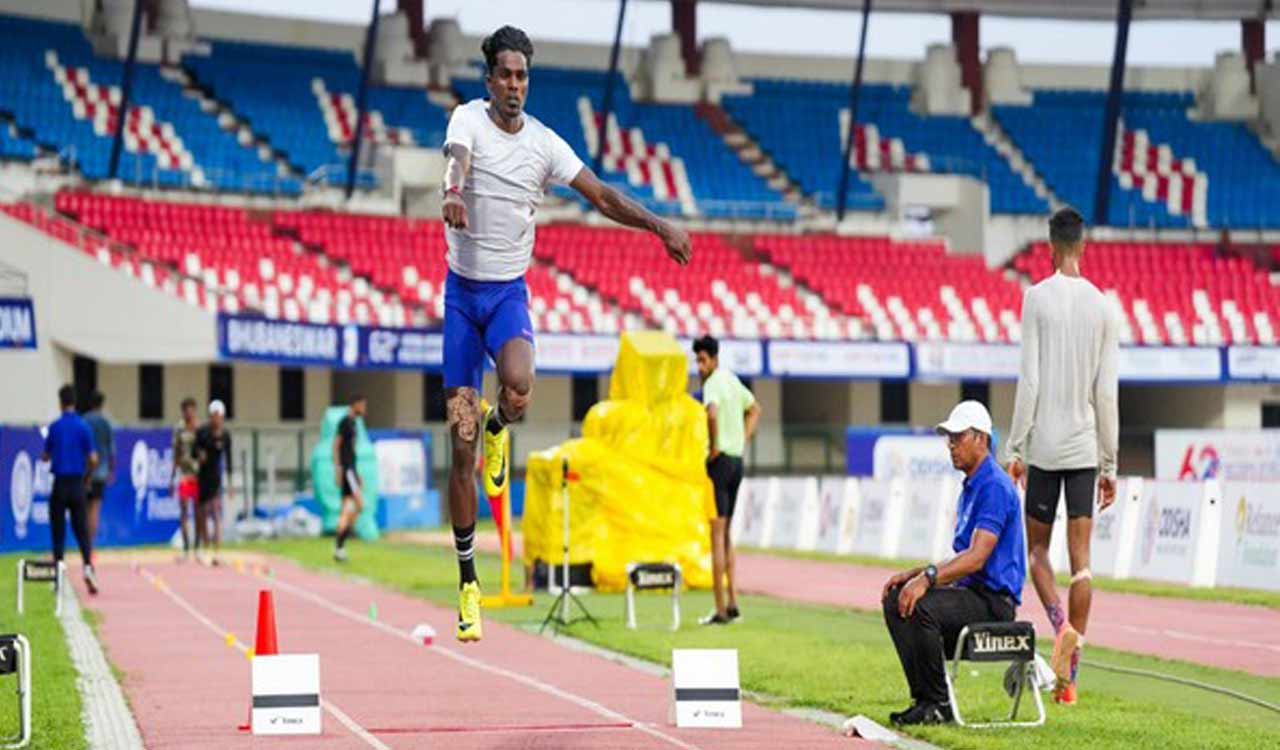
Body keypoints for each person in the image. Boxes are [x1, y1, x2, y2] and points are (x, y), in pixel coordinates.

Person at [440, 25, 691, 642]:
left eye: (522, 76)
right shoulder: (467, 121)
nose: (514, 85)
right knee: (460, 448)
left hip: (505, 295)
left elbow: (601, 195)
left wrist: (659, 226)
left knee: (520, 387)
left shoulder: (545, 145)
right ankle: (468, 581)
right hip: (460, 301)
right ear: (489, 78)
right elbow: (458, 160)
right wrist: (451, 193)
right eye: (505, 74)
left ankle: (503, 428)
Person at [1005, 206, 1120, 706]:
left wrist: (1014, 447)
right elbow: (1107, 393)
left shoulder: (1036, 298)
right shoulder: (1102, 306)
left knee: (1036, 554)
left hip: (1046, 448)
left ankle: (1058, 625)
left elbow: (1028, 379)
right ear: (1084, 247)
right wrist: (1110, 463)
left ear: (1050, 247)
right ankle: (1070, 681)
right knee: (1083, 565)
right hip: (1084, 447)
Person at [881, 401, 1025, 726]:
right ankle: (924, 700)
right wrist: (914, 574)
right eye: (950, 438)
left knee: (921, 605)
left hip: (993, 604)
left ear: (981, 439)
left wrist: (927, 579)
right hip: (973, 596)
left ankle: (938, 703)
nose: (951, 445)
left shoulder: (994, 486)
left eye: (958, 437)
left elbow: (976, 558)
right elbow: (963, 558)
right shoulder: (973, 486)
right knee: (896, 599)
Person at [693, 335, 760, 626]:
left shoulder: (713, 384)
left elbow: (711, 413)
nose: (699, 365)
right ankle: (733, 603)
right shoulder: (733, 380)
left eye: (702, 360)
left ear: (713, 359)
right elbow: (755, 409)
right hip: (737, 461)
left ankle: (719, 610)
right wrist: (743, 438)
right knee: (728, 534)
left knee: (716, 535)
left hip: (720, 462)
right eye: (697, 360)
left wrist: (715, 445)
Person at [42, 384, 100, 594]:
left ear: (60, 402)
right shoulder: (83, 426)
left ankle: (58, 578)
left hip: (60, 484)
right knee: (82, 531)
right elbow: (93, 458)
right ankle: (88, 569)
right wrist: (87, 476)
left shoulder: (55, 427)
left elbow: (45, 455)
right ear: (75, 402)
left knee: (58, 533)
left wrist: (49, 456)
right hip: (77, 484)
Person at [194, 400, 233, 566]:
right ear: (210, 416)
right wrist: (199, 455)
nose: (216, 419)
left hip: (216, 478)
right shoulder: (202, 432)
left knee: (217, 515)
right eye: (213, 416)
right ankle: (205, 546)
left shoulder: (225, 435)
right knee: (202, 514)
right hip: (202, 477)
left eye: (219, 416)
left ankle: (217, 552)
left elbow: (229, 459)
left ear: (222, 417)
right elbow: (194, 450)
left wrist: (230, 483)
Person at [332, 395, 367, 562]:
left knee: (346, 508)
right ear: (355, 405)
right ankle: (342, 539)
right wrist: (339, 469)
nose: (364, 409)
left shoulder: (354, 423)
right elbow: (336, 446)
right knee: (359, 505)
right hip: (346, 470)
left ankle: (339, 547)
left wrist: (357, 473)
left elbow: (351, 452)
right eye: (362, 405)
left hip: (351, 469)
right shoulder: (345, 422)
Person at [82, 390, 114, 560]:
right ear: (101, 404)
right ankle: (91, 547)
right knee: (95, 509)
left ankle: (85, 546)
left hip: (85, 471)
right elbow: (111, 450)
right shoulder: (105, 423)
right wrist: (111, 471)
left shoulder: (84, 421)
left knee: (85, 510)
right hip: (100, 472)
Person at [171, 397, 201, 562]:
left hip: (198, 475)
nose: (189, 413)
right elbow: (175, 454)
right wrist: (171, 477)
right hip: (184, 475)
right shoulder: (179, 429)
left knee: (198, 512)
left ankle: (197, 548)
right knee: (183, 510)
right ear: (183, 411)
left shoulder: (200, 429)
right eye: (186, 410)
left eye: (192, 409)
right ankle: (186, 548)